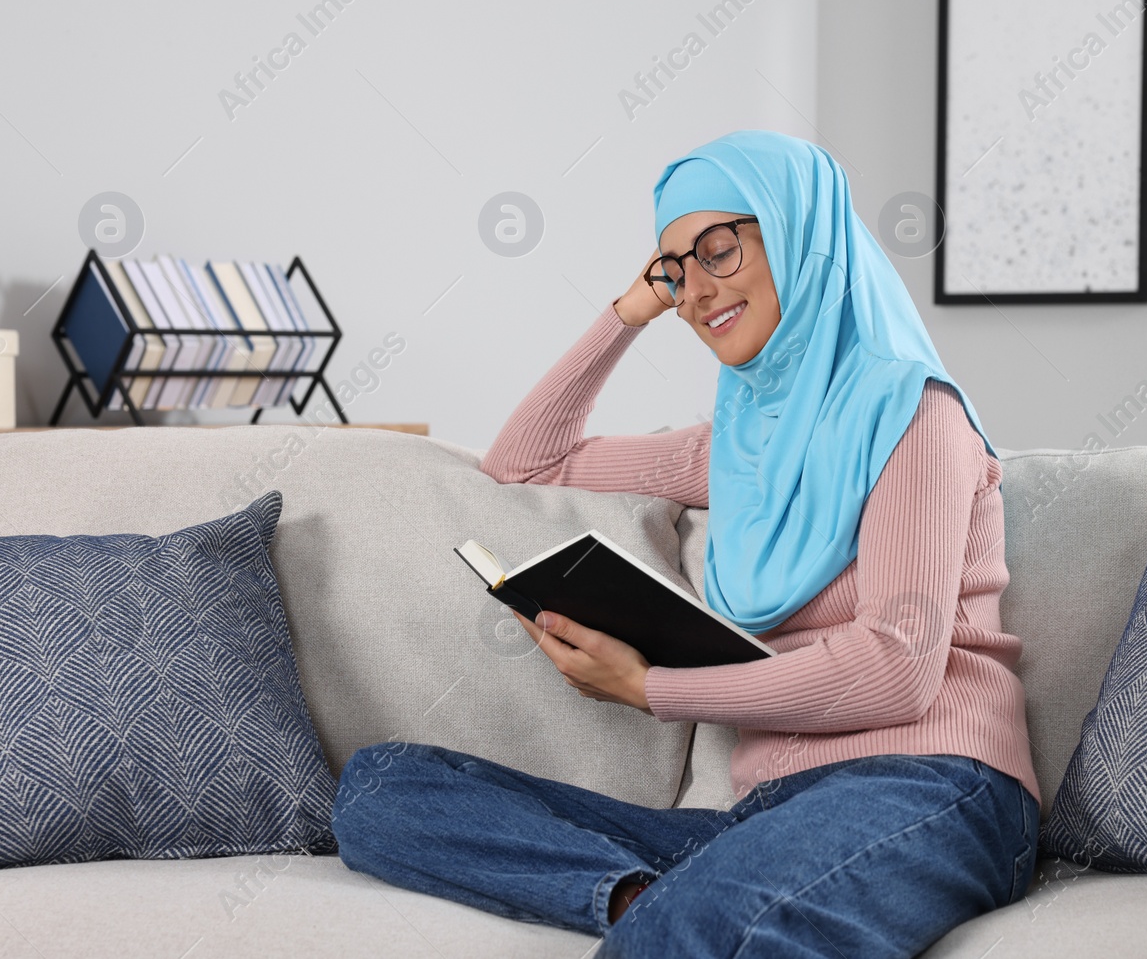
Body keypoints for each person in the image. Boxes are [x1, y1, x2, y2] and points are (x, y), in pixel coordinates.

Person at [331, 129, 1040, 958]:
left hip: (932, 783)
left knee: (698, 927)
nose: (697, 291)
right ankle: (643, 897)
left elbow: (896, 671)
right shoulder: (736, 448)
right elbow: (525, 460)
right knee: (382, 788)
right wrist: (627, 312)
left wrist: (651, 687)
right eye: (675, 268)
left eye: (719, 250)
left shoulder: (915, 413)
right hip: (769, 812)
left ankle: (681, 915)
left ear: (801, 235)